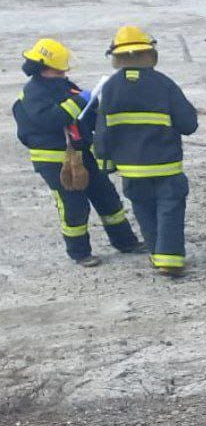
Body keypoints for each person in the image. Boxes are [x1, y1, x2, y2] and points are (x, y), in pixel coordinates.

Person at [12, 38, 142, 266]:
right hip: (55, 161)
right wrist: (79, 101)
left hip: (82, 154)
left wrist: (94, 105)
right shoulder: (33, 92)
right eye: (61, 67)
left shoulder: (63, 85)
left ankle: (126, 242)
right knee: (73, 206)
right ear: (46, 66)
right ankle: (79, 252)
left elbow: (86, 116)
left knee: (108, 198)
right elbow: (51, 119)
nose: (65, 70)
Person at [95, 26, 199, 276]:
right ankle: (171, 260)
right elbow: (188, 124)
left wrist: (104, 160)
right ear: (150, 53)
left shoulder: (109, 88)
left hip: (131, 168)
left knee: (144, 209)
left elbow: (102, 128)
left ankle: (157, 255)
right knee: (169, 209)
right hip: (165, 165)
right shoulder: (164, 84)